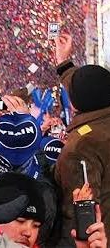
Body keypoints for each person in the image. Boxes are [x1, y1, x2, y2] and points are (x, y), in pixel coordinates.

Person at [53, 33, 110, 245]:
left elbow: (80, 213)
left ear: (74, 105)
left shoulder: (81, 147)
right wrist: (64, 64)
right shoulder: (101, 114)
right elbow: (89, 87)